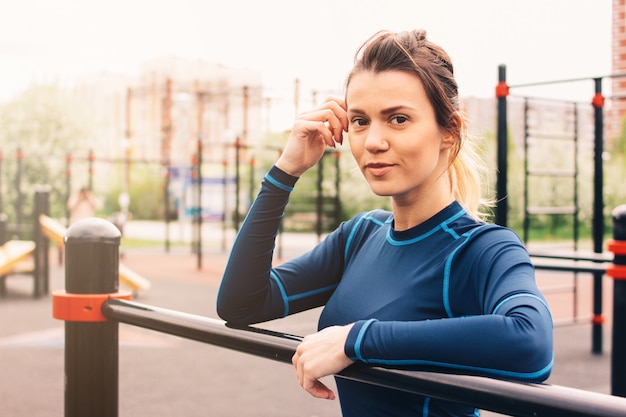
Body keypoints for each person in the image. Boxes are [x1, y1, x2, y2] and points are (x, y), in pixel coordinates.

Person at [217, 29, 553, 417]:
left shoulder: (480, 248)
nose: (373, 141)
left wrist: (355, 340)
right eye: (360, 121)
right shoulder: (360, 237)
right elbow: (241, 304)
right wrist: (285, 171)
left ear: (450, 132)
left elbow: (532, 346)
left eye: (398, 119)